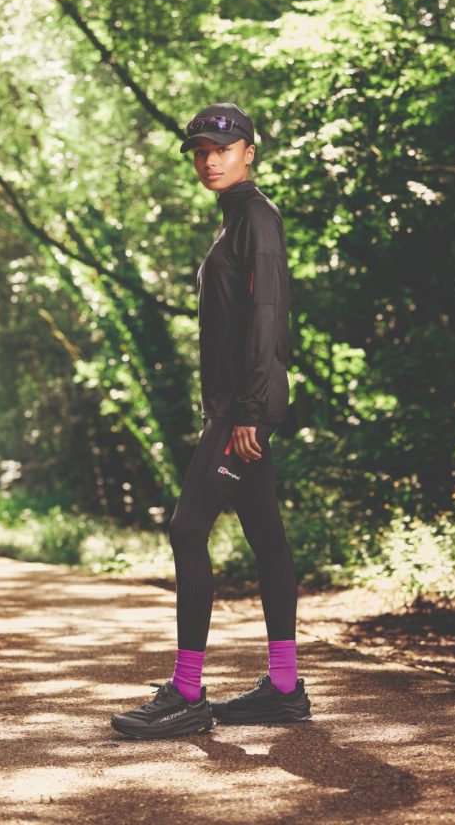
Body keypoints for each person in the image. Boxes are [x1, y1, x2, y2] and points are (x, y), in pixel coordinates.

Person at [110, 102, 311, 740]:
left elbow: (267, 314)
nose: (209, 160)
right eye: (199, 151)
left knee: (187, 529)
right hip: (238, 405)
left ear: (248, 151)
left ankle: (188, 693)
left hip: (242, 409)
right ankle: (285, 687)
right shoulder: (234, 220)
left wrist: (248, 410)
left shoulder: (256, 217)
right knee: (266, 534)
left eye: (221, 149)